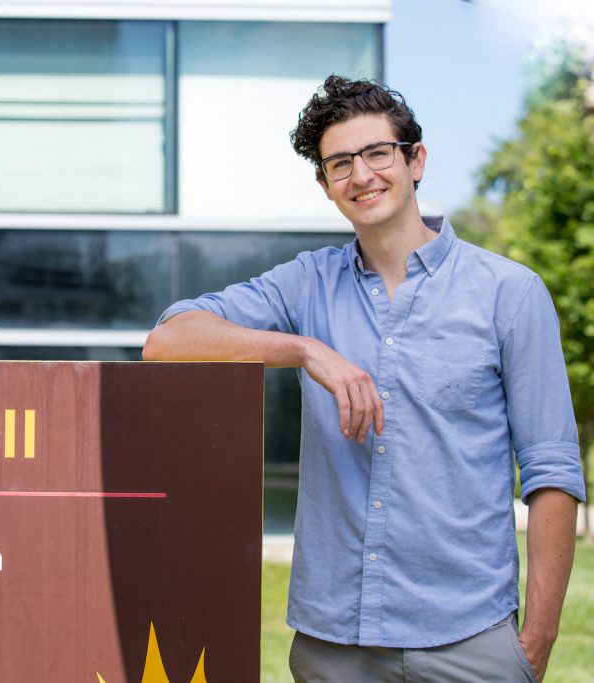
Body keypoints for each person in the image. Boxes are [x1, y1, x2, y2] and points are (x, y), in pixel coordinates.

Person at [143, 75, 586, 682]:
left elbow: (552, 469)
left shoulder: (509, 294)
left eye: (378, 153)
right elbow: (167, 340)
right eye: (340, 163)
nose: (362, 175)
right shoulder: (307, 285)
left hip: (470, 639)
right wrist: (304, 349)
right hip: (333, 647)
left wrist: (533, 643)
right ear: (326, 186)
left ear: (415, 160)